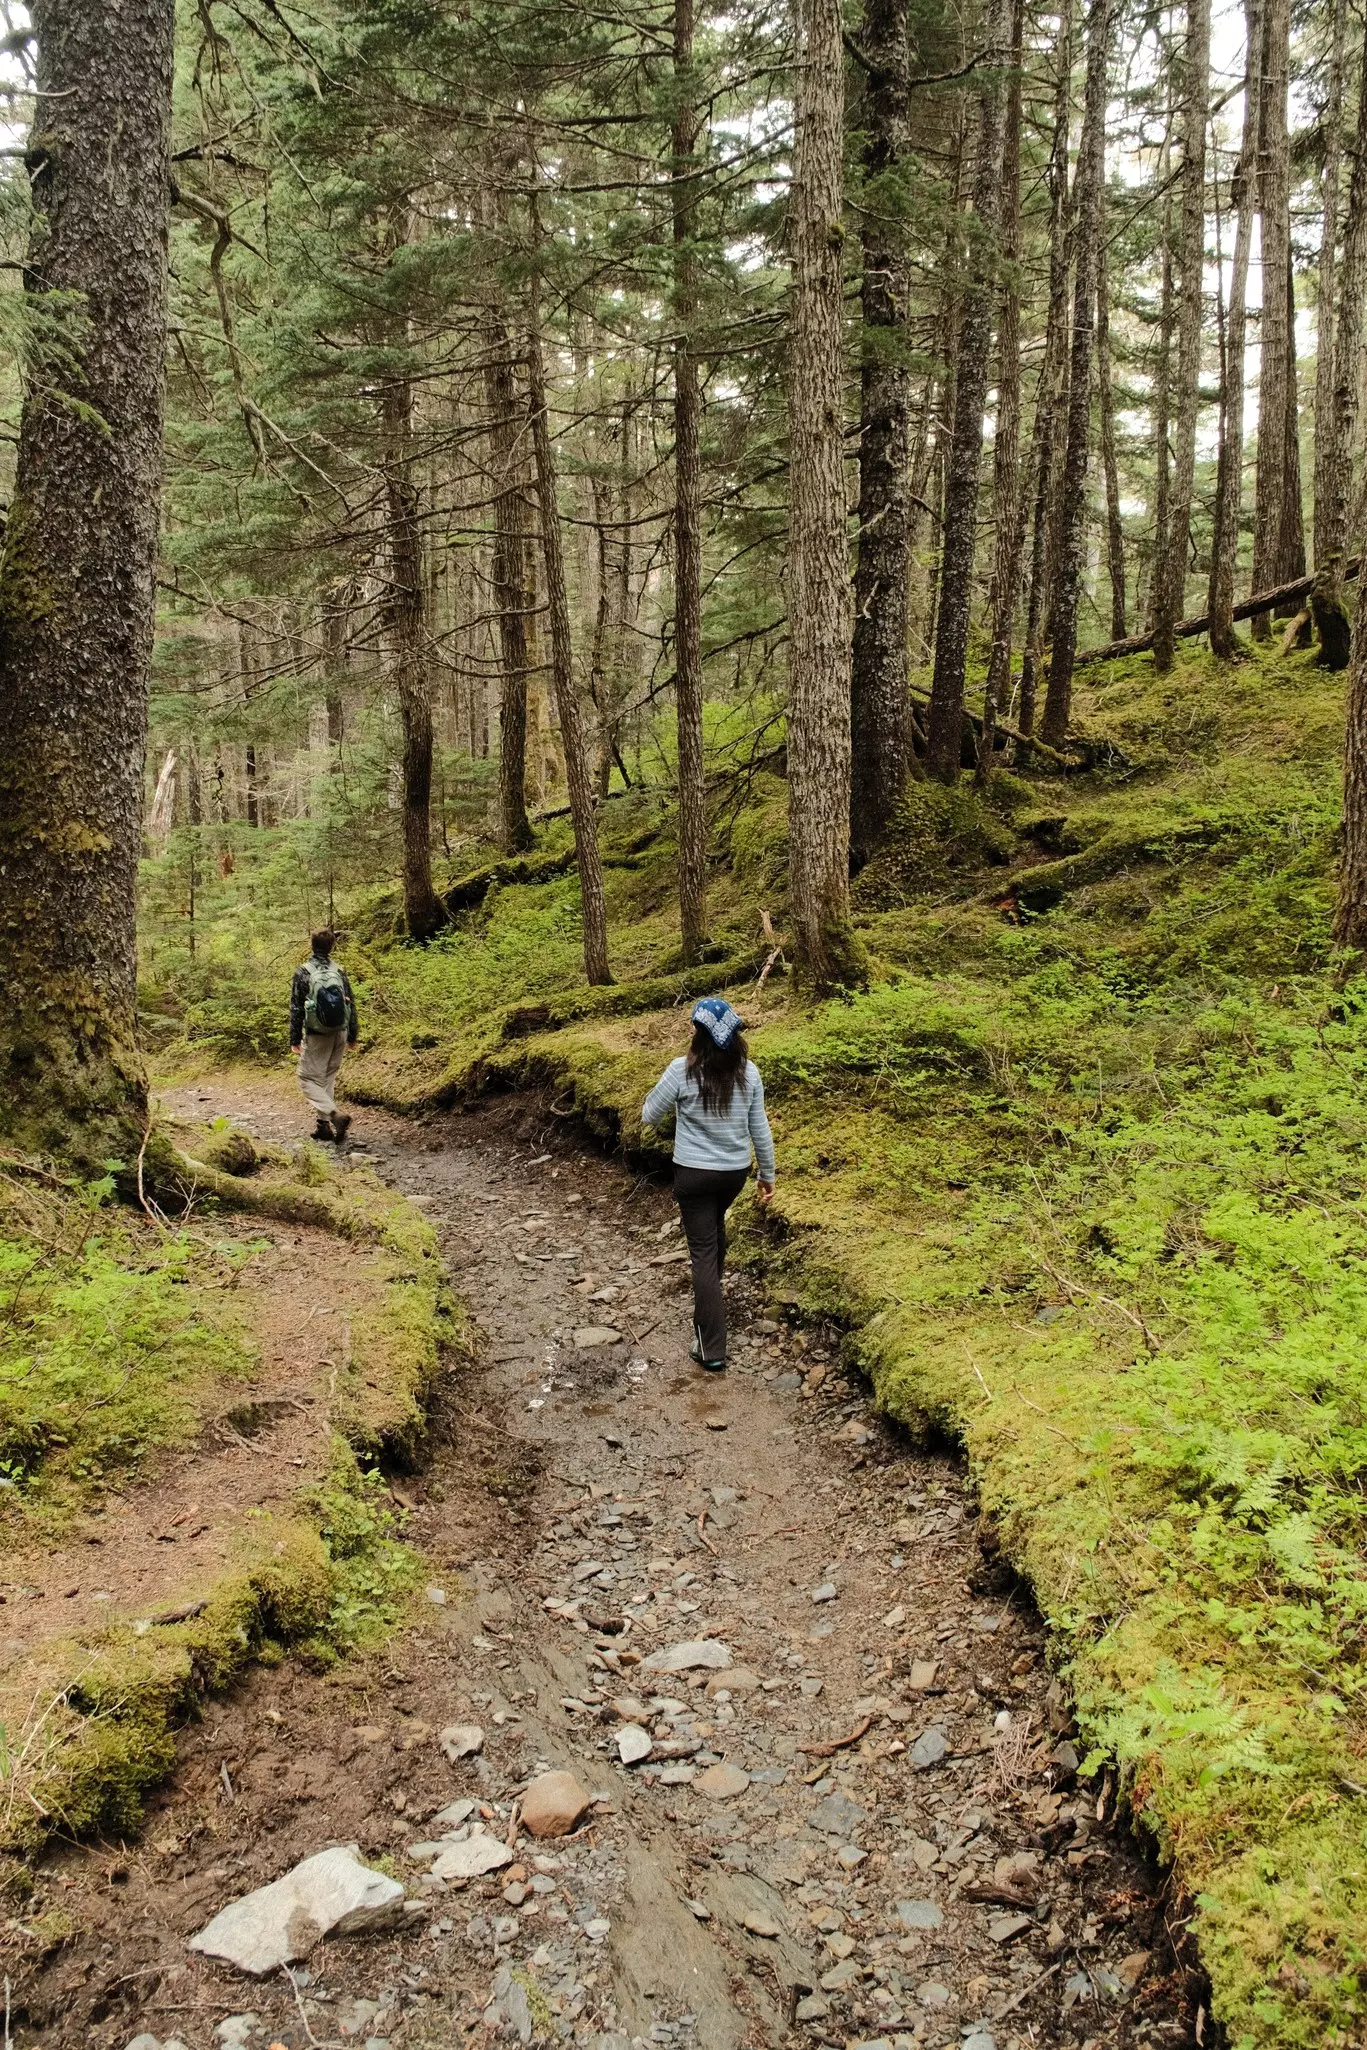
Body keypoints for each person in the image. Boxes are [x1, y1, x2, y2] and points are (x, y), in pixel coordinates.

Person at [642, 997, 775, 1372]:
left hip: (693, 1174)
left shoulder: (681, 1070)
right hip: (733, 1174)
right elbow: (759, 1129)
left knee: (702, 1252)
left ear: (698, 1035)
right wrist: (767, 1174)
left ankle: (711, 1346)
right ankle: (710, 1311)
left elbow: (649, 1115)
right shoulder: (749, 1073)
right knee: (714, 1236)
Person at [289, 929, 359, 1142]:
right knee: (327, 1078)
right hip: (340, 1030)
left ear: (312, 946)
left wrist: (294, 1039)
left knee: (307, 1078)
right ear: (332, 947)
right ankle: (323, 1127)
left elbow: (296, 1008)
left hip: (317, 1034)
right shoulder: (339, 970)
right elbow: (351, 1002)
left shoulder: (303, 972)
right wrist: (353, 1034)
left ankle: (333, 1114)